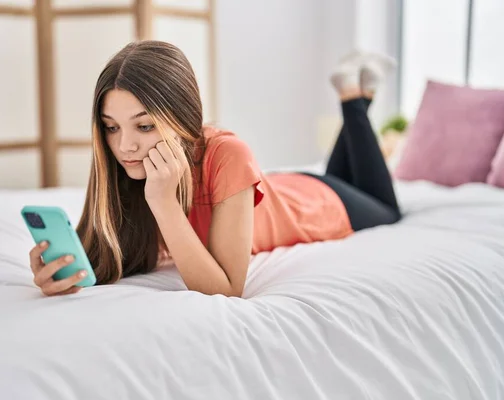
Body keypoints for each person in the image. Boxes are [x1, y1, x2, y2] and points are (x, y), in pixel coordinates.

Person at [29, 41, 401, 298]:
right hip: (278, 188)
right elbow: (106, 258)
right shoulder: (124, 168)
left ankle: (354, 98)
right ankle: (358, 91)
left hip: (314, 204)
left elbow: (224, 290)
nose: (125, 145)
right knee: (343, 174)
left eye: (144, 126)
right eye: (111, 127)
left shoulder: (228, 153)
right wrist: (59, 273)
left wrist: (163, 202)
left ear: (182, 118)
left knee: (388, 210)